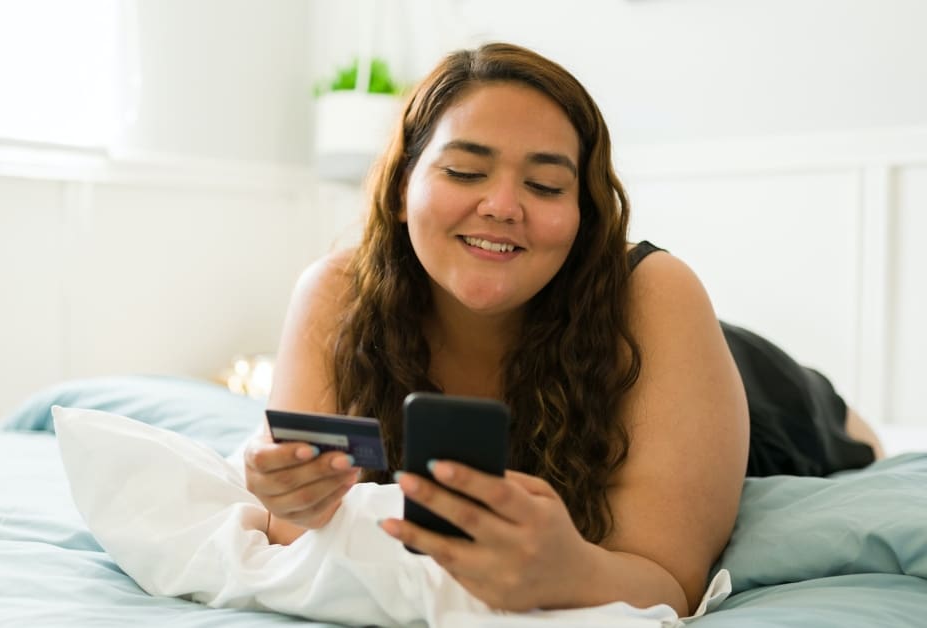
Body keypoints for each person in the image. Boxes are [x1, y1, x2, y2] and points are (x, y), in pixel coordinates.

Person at [243, 42, 882, 616]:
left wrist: (571, 571)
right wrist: (292, 498)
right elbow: (292, 533)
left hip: (766, 400)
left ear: (584, 211)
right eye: (465, 172)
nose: (501, 206)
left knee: (849, 433)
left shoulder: (656, 295)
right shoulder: (335, 293)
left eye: (546, 185)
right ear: (406, 181)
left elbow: (670, 581)